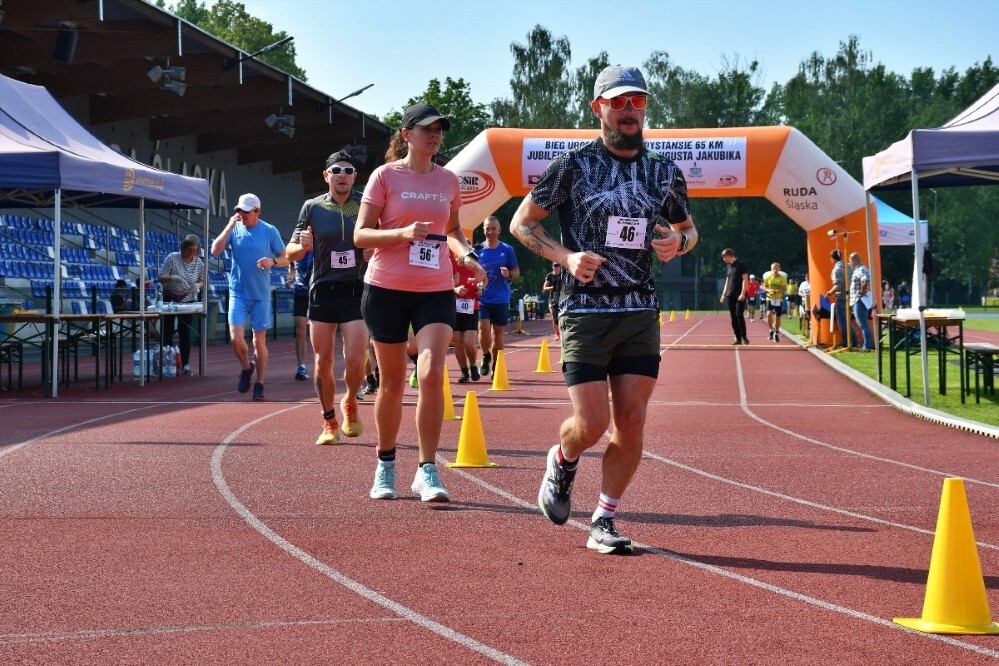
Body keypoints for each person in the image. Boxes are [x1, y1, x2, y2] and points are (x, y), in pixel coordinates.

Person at [509, 65, 697, 555]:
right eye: (618, 102)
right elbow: (522, 223)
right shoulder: (572, 166)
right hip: (584, 308)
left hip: (638, 307)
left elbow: (689, 229)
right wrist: (566, 257)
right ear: (598, 108)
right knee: (591, 424)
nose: (629, 110)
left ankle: (605, 518)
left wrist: (679, 242)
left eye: (637, 101)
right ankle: (563, 458)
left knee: (631, 421)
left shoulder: (664, 171)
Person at [354, 102, 485, 503]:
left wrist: (467, 257)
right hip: (386, 288)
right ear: (407, 134)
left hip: (435, 289)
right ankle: (386, 463)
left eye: (439, 129)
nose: (435, 135)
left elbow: (453, 232)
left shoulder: (448, 180)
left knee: (430, 374)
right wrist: (402, 234)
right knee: (392, 383)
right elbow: (361, 235)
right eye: (427, 128)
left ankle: (427, 470)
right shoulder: (385, 176)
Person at [286, 151, 371, 445]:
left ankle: (350, 400)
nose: (342, 175)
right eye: (336, 171)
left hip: (356, 289)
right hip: (322, 290)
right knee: (323, 361)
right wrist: (302, 247)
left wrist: (374, 250)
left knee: (357, 361)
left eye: (348, 171)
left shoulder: (367, 205)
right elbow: (290, 251)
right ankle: (329, 421)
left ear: (354, 176)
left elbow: (383, 240)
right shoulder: (312, 207)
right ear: (326, 176)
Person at [210, 193, 288, 401]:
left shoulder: (269, 230)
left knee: (258, 340)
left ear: (257, 212)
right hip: (238, 292)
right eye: (239, 210)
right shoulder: (235, 229)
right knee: (236, 339)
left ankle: (260, 383)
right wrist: (228, 227)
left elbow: (286, 258)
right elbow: (215, 251)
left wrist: (272, 261)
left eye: (246, 211)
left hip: (261, 294)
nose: (242, 214)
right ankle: (246, 368)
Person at [476, 215, 520, 377]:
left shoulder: (507, 250)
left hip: (501, 298)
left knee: (497, 335)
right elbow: (469, 269)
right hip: (483, 297)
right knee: (483, 329)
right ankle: (485, 355)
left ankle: (496, 364)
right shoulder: (477, 249)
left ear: (499, 230)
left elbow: (516, 272)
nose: (490, 232)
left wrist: (509, 274)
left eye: (493, 229)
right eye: (487, 229)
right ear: (483, 230)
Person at [157, 234, 205, 375]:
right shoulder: (172, 258)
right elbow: (160, 277)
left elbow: (203, 280)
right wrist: (173, 278)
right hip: (171, 298)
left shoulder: (198, 263)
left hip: (188, 299)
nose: (192, 253)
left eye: (195, 250)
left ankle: (185, 364)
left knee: (185, 332)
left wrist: (198, 285)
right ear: (183, 248)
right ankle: (167, 361)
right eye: (189, 250)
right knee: (168, 330)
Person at [451, 249, 485, 383]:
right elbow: (442, 284)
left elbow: (484, 280)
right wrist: (455, 289)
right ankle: (464, 372)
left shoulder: (474, 266)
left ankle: (473, 365)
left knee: (469, 342)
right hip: (455, 308)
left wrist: (481, 289)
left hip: (471, 308)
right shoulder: (451, 265)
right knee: (458, 342)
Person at [287, 249, 313, 382]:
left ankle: (324, 364)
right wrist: (289, 279)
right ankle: (301, 366)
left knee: (320, 331)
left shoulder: (320, 244)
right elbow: (291, 267)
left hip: (318, 292)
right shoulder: (295, 248)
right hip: (301, 292)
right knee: (300, 331)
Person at [720, 249, 749, 345]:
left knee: (739, 315)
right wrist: (723, 295)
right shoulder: (728, 267)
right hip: (730, 294)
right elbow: (727, 282)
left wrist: (743, 293)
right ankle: (738, 338)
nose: (723, 259)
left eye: (724, 257)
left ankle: (744, 336)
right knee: (733, 317)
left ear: (728, 256)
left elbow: (745, 279)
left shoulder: (741, 265)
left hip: (739, 294)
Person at [849, 252, 874, 351]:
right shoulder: (859, 269)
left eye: (850, 260)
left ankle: (867, 345)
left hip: (859, 301)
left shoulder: (861, 269)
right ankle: (866, 344)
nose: (850, 262)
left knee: (863, 324)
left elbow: (865, 281)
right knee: (861, 324)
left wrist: (861, 293)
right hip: (858, 300)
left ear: (854, 260)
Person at [826, 249, 849, 349]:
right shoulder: (848, 266)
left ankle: (845, 342)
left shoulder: (836, 270)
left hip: (841, 297)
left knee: (842, 321)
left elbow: (838, 286)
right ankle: (852, 341)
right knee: (848, 320)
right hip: (850, 296)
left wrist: (829, 293)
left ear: (832, 258)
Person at [762, 262, 788, 343]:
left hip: (778, 299)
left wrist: (777, 291)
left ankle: (776, 332)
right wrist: (769, 290)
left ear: (779, 269)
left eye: (776, 268)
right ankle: (771, 330)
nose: (775, 270)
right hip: (770, 298)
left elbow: (784, 289)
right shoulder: (768, 277)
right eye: (773, 269)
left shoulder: (782, 278)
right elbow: (763, 287)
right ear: (771, 269)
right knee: (768, 314)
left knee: (777, 317)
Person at [542, 262, 562, 340]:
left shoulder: (563, 274)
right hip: (553, 299)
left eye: (558, 265)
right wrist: (553, 287)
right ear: (552, 267)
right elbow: (544, 288)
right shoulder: (550, 276)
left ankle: (563, 332)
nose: (556, 267)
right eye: (555, 266)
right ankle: (557, 334)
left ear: (560, 266)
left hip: (562, 298)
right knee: (554, 315)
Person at [799, 273, 812, 338]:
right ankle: (804, 330)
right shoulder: (803, 284)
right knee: (804, 315)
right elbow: (799, 292)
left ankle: (809, 331)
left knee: (809, 315)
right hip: (804, 301)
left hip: (811, 301)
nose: (807, 277)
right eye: (806, 276)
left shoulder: (812, 283)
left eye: (808, 276)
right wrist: (803, 295)